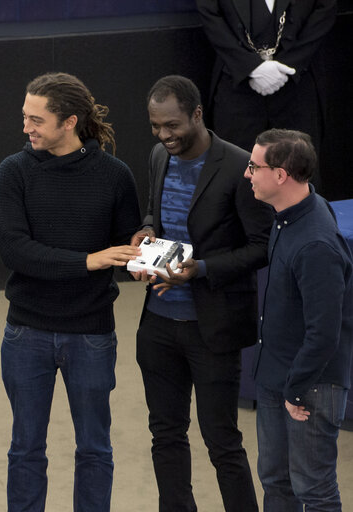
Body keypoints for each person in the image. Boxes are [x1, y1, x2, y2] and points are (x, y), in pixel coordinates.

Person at [0, 72, 141, 512]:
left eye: (36, 119)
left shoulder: (115, 176)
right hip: (26, 333)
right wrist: (87, 261)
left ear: (69, 122)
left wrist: (146, 252)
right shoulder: (13, 172)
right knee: (25, 451)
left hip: (92, 334)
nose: (26, 127)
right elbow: (16, 251)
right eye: (24, 117)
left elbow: (128, 245)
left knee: (95, 449)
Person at [131, 75, 272, 511]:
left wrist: (201, 270)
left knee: (222, 443)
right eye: (156, 126)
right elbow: (157, 210)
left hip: (212, 329)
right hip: (157, 324)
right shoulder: (159, 156)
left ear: (197, 114)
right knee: (166, 435)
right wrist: (148, 230)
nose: (164, 135)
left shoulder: (239, 165)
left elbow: (262, 246)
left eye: (172, 125)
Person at [244, 128, 352, 511]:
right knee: (276, 481)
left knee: (314, 491)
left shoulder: (316, 245)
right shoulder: (289, 213)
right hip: (277, 375)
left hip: (310, 386)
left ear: (280, 175)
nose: (247, 173)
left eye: (254, 166)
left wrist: (295, 390)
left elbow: (324, 333)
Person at [197, 0, 337, 189]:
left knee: (300, 172)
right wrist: (250, 67)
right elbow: (210, 14)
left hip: (298, 86)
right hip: (236, 87)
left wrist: (288, 66)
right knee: (238, 173)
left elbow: (325, 9)